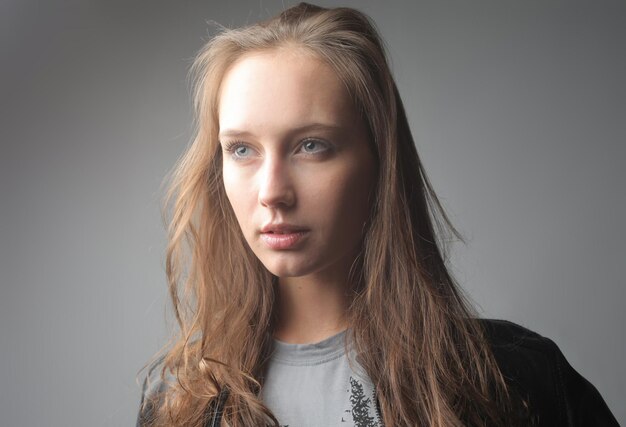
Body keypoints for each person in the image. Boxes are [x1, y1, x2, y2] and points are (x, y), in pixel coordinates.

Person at [136, 3, 618, 426]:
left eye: (311, 146)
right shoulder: (180, 402)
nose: (272, 192)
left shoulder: (517, 382)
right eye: (242, 150)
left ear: (379, 161)